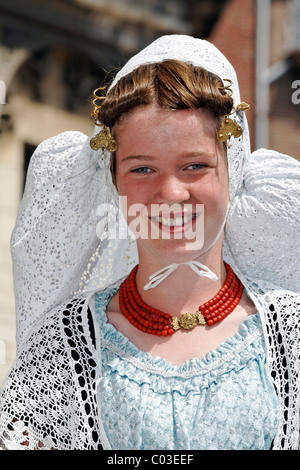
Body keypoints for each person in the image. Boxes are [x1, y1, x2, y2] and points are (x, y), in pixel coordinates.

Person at [0, 35, 299, 450]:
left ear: (233, 172)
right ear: (114, 182)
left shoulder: (293, 335)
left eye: (195, 165)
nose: (171, 193)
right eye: (142, 169)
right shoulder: (60, 351)